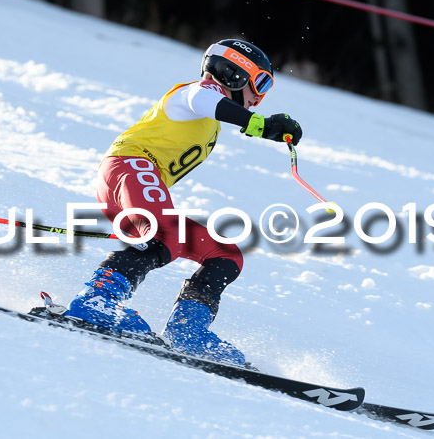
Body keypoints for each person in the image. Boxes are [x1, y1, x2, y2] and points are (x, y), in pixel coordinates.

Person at [67, 39, 303, 366]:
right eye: (260, 83)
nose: (259, 96)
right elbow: (205, 99)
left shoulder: (212, 117)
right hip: (130, 167)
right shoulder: (193, 94)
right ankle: (97, 300)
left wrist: (259, 127)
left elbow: (221, 110)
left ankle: (188, 331)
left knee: (225, 254)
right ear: (234, 74)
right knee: (166, 234)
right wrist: (260, 125)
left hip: (142, 184)